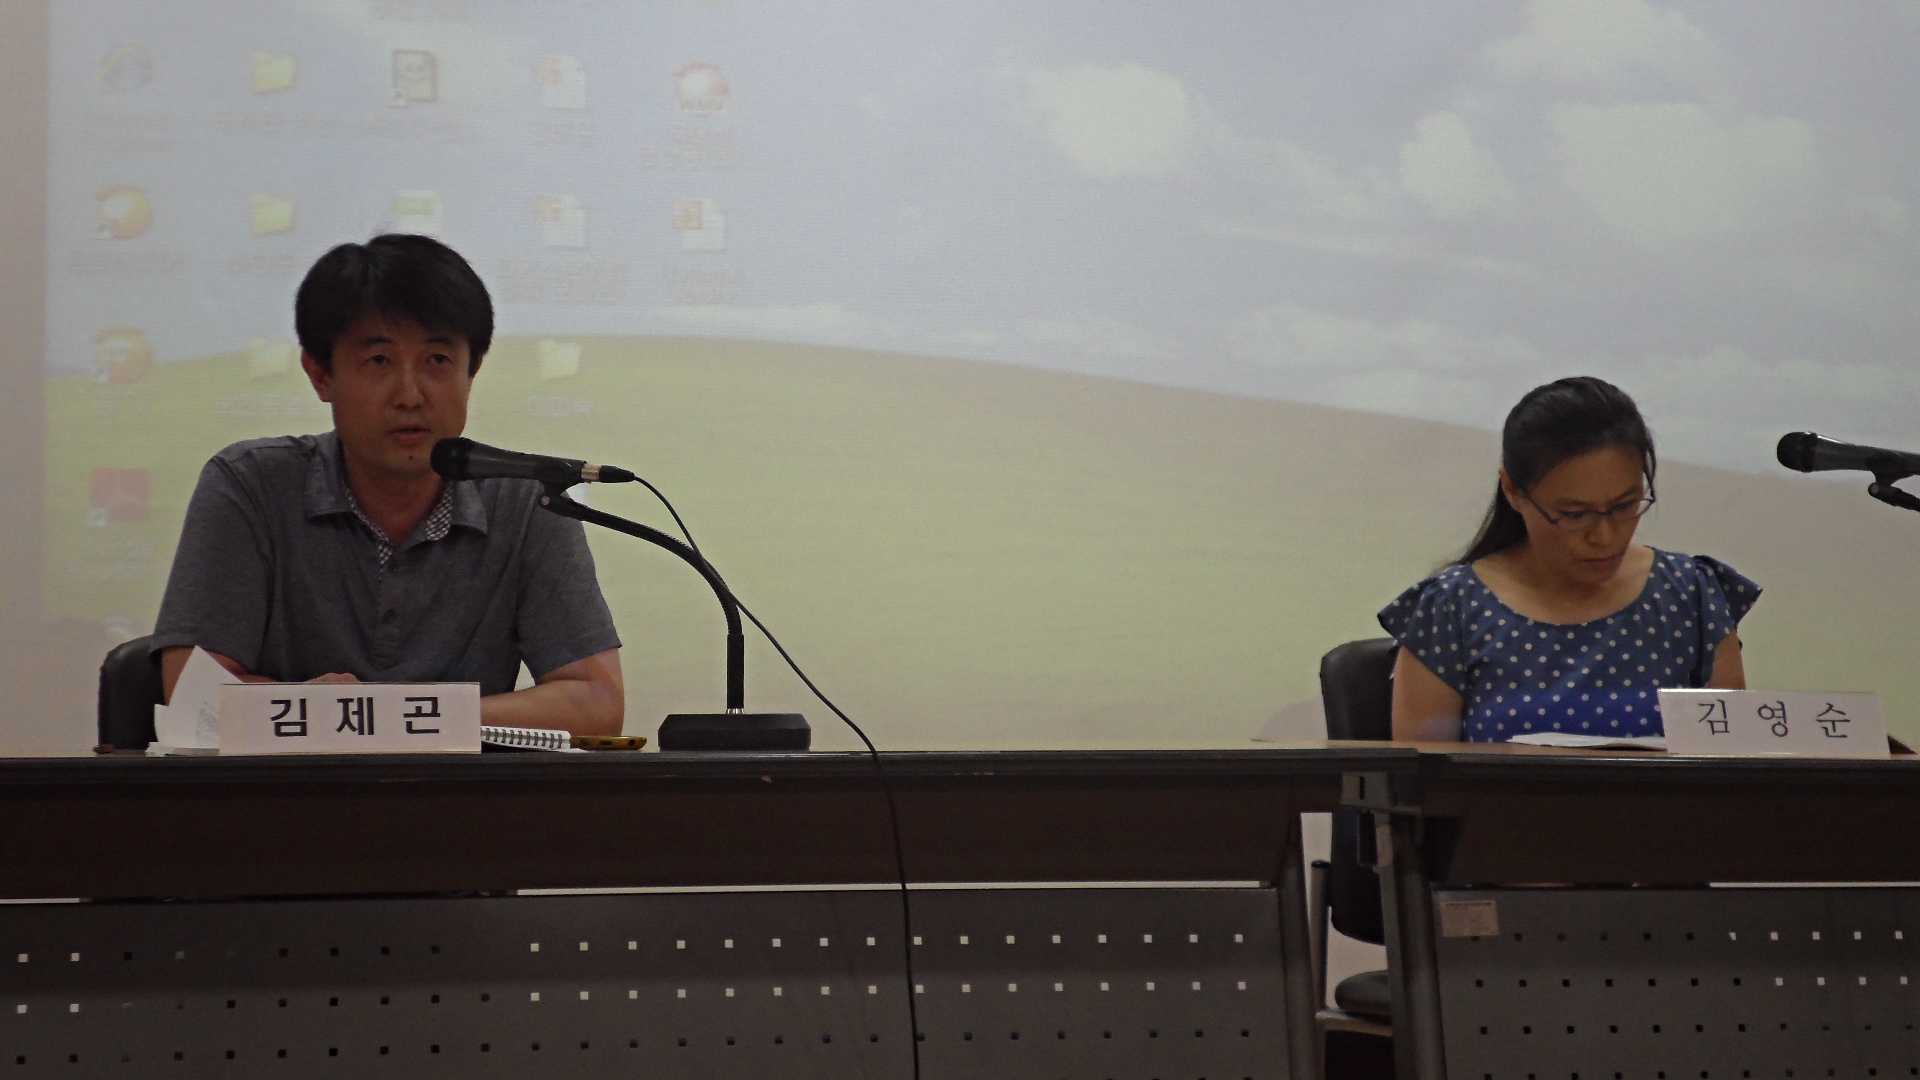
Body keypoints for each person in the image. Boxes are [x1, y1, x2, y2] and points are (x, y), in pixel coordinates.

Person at [150, 234, 624, 735]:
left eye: (437, 360)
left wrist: (385, 715)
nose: (410, 395)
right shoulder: (251, 485)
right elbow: (194, 693)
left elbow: (597, 704)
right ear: (320, 375)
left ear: (472, 372)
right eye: (379, 361)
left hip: (461, 787)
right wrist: (386, 718)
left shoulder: (526, 503)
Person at [1378, 376, 1758, 742]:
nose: (1604, 537)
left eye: (1624, 506)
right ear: (1513, 490)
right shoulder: (1451, 610)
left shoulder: (1691, 595)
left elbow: (1729, 763)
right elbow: (1424, 778)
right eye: (1575, 515)